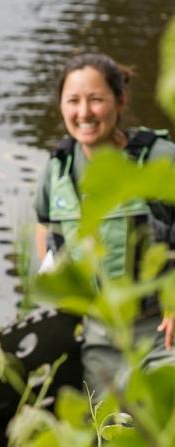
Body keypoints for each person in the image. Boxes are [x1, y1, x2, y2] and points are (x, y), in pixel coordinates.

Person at [33, 52, 175, 395]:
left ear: (120, 100)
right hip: (99, 335)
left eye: (96, 100)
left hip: (161, 330)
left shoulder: (159, 158)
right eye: (73, 101)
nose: (84, 113)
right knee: (110, 434)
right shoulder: (58, 168)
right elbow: (45, 226)